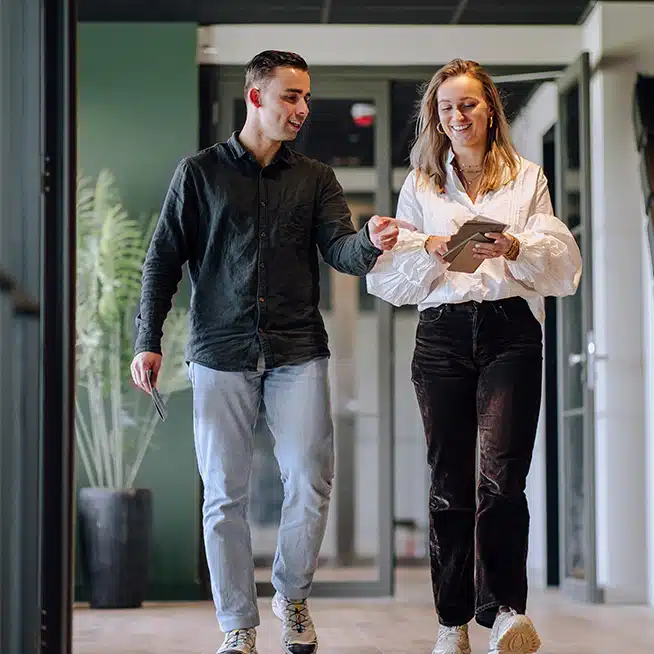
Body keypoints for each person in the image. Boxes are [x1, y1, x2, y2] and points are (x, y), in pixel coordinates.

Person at [129, 50, 408, 654]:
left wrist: (369, 241)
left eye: (306, 97)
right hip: (218, 350)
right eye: (291, 96)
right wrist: (147, 340)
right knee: (223, 495)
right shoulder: (199, 173)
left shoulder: (316, 178)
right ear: (256, 97)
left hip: (296, 348)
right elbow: (162, 260)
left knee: (309, 477)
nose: (302, 108)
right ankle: (238, 626)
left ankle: (292, 594)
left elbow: (341, 253)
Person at [367, 59, 582, 654]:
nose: (458, 116)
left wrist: (513, 245)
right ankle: (452, 620)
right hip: (441, 333)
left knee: (503, 477)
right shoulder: (421, 185)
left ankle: (506, 613)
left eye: (468, 104)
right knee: (449, 483)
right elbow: (391, 276)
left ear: (490, 109)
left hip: (511, 329)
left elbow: (559, 263)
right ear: (435, 118)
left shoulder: (527, 176)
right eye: (446, 108)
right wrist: (431, 248)